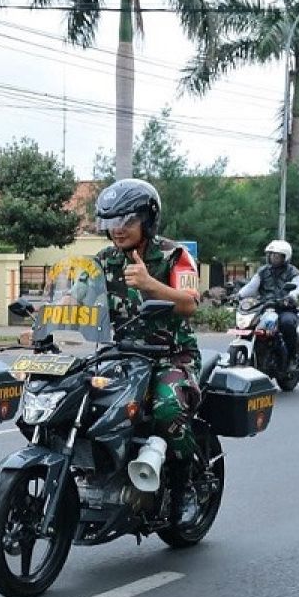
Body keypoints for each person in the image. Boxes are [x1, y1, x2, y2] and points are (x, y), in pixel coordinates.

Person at [94, 178, 202, 522]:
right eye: (111, 222)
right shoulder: (103, 260)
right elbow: (76, 297)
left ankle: (186, 487)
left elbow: (189, 304)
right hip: (120, 356)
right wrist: (42, 319)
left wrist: (150, 284)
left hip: (171, 356)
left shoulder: (175, 255)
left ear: (148, 219)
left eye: (126, 221)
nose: (118, 230)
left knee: (168, 411)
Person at [237, 240, 299, 361]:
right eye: (271, 255)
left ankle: (292, 356)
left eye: (277, 256)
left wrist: (291, 297)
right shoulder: (263, 271)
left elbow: (297, 287)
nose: (273, 258)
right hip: (264, 306)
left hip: (284, 308)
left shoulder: (292, 272)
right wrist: (238, 295)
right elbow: (252, 287)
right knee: (247, 323)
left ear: (285, 257)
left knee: (287, 323)